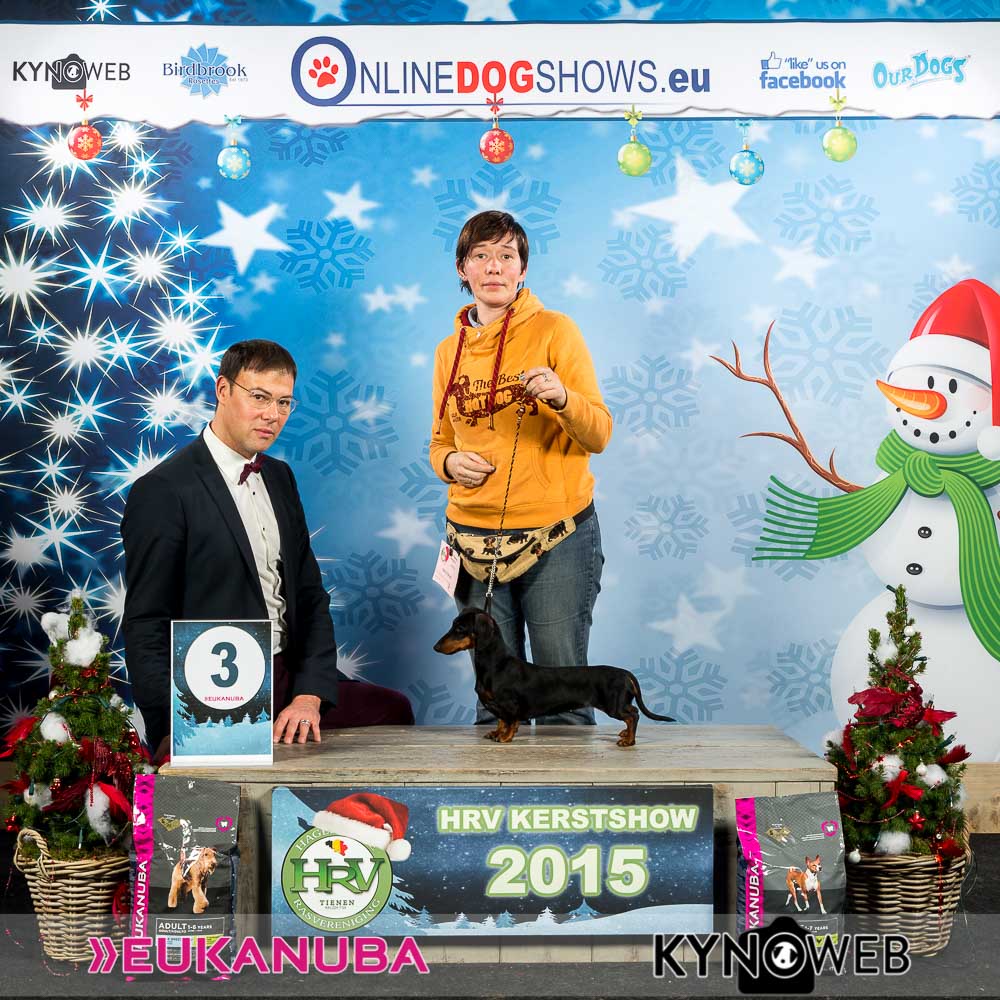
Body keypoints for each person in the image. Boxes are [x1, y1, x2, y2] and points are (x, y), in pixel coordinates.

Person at [121, 339, 413, 760]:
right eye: (259, 397)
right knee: (225, 792)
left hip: (289, 677)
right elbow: (146, 622)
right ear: (223, 390)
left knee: (393, 710)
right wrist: (171, 728)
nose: (272, 415)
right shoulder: (164, 490)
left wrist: (309, 695)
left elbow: (310, 596)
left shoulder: (279, 477)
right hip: (218, 692)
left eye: (284, 402)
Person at [430, 211, 613, 725]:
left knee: (563, 699)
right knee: (495, 700)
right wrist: (449, 462)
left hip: (556, 534)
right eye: (481, 256)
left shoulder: (557, 331)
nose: (494, 267)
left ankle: (566, 783)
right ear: (463, 268)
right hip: (471, 540)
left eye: (506, 256)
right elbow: (440, 441)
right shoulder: (448, 352)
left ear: (522, 269)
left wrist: (564, 398)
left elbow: (599, 433)